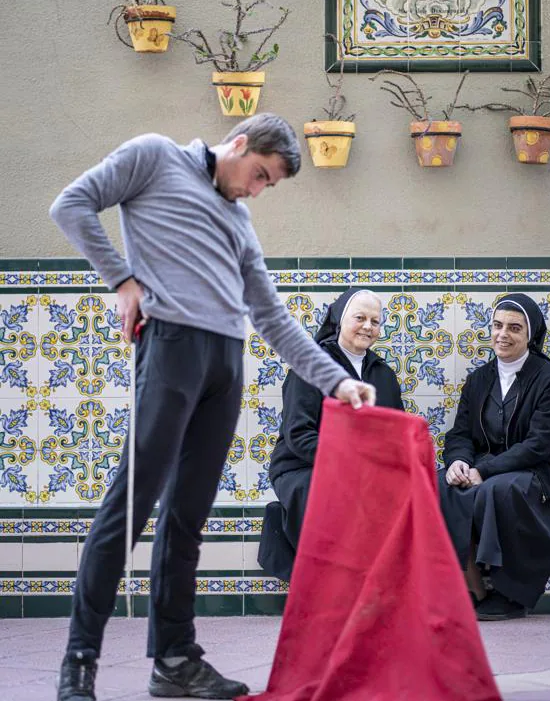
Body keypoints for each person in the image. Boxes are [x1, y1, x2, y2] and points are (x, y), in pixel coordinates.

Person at [49, 114, 376, 701]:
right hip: (171, 347)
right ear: (240, 143)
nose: (255, 190)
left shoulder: (240, 218)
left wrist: (336, 382)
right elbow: (71, 205)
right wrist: (123, 281)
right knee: (131, 504)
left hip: (225, 365)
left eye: (267, 186)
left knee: (186, 519)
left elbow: (272, 318)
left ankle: (174, 660)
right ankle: (79, 660)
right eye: (258, 176)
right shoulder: (153, 156)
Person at [439, 293, 550, 621]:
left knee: (497, 489)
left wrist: (483, 471)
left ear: (530, 335)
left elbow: (538, 445)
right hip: (488, 469)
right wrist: (458, 461)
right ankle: (470, 587)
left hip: (540, 471)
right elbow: (460, 434)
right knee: (440, 485)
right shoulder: (479, 379)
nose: (503, 334)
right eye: (497, 325)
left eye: (514, 328)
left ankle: (510, 593)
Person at [259, 288, 403, 581]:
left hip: (364, 468)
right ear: (339, 320)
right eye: (360, 318)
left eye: (375, 322)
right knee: (337, 494)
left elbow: (395, 430)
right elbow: (299, 435)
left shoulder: (384, 375)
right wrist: (351, 461)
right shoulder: (312, 367)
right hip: (302, 467)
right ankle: (332, 585)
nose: (368, 326)